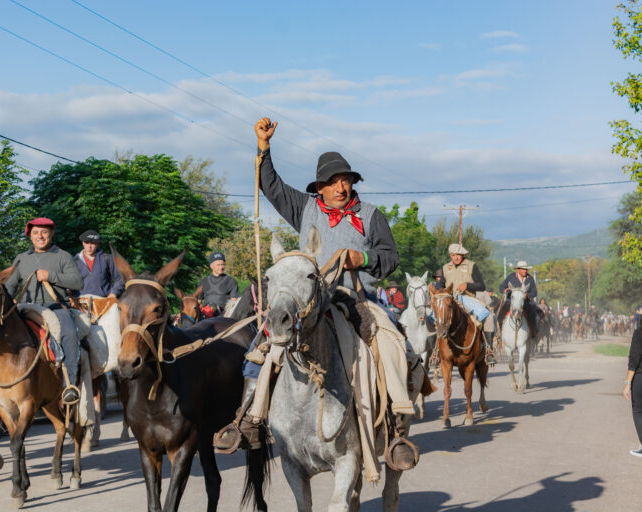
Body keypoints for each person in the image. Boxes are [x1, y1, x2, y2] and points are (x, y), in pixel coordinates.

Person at [214, 117, 414, 467]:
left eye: (346, 180)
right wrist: (264, 147)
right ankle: (249, 417)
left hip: (356, 300)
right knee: (262, 345)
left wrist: (361, 257)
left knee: (391, 344)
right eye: (333, 182)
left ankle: (396, 429)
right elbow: (270, 185)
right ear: (319, 187)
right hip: (311, 303)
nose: (341, 187)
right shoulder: (303, 207)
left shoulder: (371, 216)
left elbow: (390, 258)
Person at [4, 218, 84, 404]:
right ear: (30, 236)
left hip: (56, 307)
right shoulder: (22, 258)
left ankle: (69, 385)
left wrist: (51, 276)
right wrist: (9, 300)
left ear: (51, 234)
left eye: (44, 232)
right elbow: (9, 286)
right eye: (36, 233)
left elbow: (78, 282)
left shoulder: (63, 256)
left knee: (70, 334)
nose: (40, 236)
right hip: (26, 307)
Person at [436, 243, 495, 365]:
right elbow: (440, 285)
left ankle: (489, 350)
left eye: (458, 255)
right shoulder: (445, 267)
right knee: (432, 317)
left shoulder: (471, 266)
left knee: (488, 316)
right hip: (449, 300)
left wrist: (467, 285)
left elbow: (481, 285)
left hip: (467, 298)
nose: (456, 257)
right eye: (453, 255)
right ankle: (435, 352)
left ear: (463, 254)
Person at [73, 230, 124, 299]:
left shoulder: (107, 258)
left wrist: (114, 293)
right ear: (83, 243)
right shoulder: (75, 260)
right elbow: (68, 282)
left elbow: (120, 279)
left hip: (103, 301)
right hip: (79, 301)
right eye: (87, 242)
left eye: (93, 243)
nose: (89, 246)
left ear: (97, 244)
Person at [497, 260, 540, 339]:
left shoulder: (530, 279)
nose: (525, 271)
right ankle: (499, 333)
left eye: (526, 269)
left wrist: (527, 295)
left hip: (526, 302)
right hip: (511, 301)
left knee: (536, 316)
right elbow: (501, 287)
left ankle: (534, 334)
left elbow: (534, 292)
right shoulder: (511, 277)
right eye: (523, 269)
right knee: (500, 314)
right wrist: (504, 290)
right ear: (518, 270)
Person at [198, 252, 239, 316]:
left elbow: (234, 302)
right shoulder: (204, 282)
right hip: (205, 316)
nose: (221, 267)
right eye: (218, 265)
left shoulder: (231, 281)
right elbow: (198, 301)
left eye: (222, 264)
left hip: (223, 316)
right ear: (211, 266)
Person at [624, 323, 642, 457]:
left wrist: (627, 382)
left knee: (638, 411)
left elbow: (634, 358)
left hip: (640, 376)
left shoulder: (639, 333)